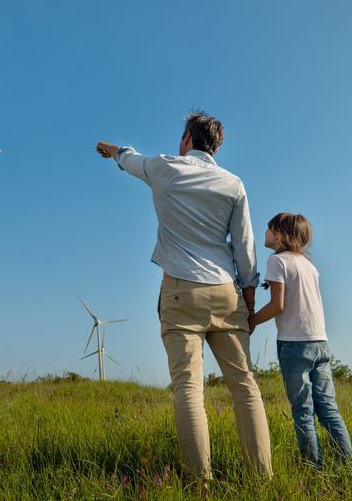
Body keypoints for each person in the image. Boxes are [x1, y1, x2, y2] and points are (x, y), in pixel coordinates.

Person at [96, 112, 272, 480]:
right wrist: (250, 297)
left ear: (188, 138)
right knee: (245, 387)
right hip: (227, 291)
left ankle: (200, 484)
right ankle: (261, 479)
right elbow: (245, 246)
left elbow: (129, 159)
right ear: (216, 145)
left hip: (181, 291)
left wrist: (112, 149)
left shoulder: (166, 168)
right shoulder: (233, 184)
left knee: (189, 390)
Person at [249, 212, 352, 468]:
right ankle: (346, 464)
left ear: (281, 235)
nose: (265, 232)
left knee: (303, 410)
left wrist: (250, 321)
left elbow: (277, 306)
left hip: (295, 346)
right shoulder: (309, 266)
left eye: (269, 228)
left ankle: (313, 469)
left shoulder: (277, 262)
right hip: (321, 342)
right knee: (328, 407)